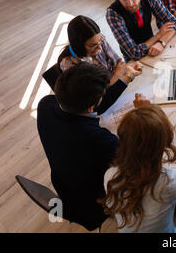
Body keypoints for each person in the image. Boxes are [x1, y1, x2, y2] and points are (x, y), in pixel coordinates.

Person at [101, 94, 176, 233]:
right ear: (163, 145)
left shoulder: (110, 175)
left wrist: (146, 114)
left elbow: (142, 203)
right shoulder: (168, 182)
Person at [37, 63, 123, 231]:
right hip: (95, 202)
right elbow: (133, 157)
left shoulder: (45, 104)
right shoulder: (99, 139)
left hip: (65, 188)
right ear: (92, 107)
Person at [106, 0, 176, 61]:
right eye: (124, 0)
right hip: (134, 61)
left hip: (154, 46)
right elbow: (134, 53)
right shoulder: (112, 14)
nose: (130, 4)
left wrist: (161, 42)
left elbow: (173, 22)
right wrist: (159, 35)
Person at [58, 15, 143, 87]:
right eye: (93, 45)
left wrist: (126, 70)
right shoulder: (68, 64)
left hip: (117, 87)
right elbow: (97, 96)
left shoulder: (100, 40)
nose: (100, 48)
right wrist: (117, 75)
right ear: (79, 45)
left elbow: (120, 64)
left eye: (99, 41)